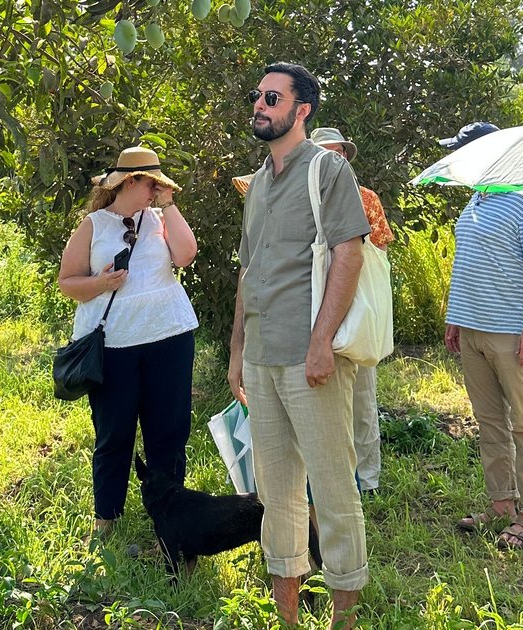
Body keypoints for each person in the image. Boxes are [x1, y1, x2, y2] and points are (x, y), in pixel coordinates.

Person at [229, 62, 369, 629]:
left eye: (272, 97)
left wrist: (321, 343)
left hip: (310, 359)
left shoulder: (328, 170)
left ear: (302, 109)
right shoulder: (257, 183)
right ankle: (286, 616)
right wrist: (237, 352)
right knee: (277, 493)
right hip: (261, 358)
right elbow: (247, 271)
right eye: (257, 96)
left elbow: (349, 254)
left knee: (333, 489)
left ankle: (345, 618)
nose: (259, 105)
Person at [57, 145, 198, 539]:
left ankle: (169, 521)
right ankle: (106, 520)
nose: (157, 191)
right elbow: (67, 282)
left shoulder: (160, 218)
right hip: (114, 346)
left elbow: (186, 255)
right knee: (113, 433)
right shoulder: (94, 225)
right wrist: (101, 283)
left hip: (169, 337)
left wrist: (168, 205)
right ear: (129, 182)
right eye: (152, 184)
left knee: (168, 433)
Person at [442, 122, 523, 549]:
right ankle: (502, 503)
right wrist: (455, 317)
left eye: (461, 151)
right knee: (489, 422)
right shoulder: (476, 200)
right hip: (472, 330)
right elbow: (468, 262)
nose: (456, 159)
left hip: (512, 334)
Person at [311, 126, 394, 493]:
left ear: (345, 156)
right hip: (313, 307)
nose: (334, 159)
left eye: (338, 152)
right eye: (325, 153)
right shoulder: (305, 198)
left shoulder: (365, 199)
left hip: (355, 305)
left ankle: (367, 479)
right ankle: (330, 479)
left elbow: (377, 257)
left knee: (362, 396)